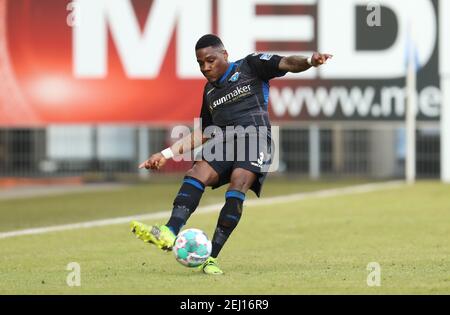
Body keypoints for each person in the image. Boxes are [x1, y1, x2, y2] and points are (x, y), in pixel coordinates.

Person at [131, 34, 332, 275]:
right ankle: (169, 232)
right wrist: (166, 153)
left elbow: (288, 63)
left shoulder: (251, 66)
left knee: (238, 183)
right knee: (197, 172)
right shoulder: (209, 92)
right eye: (200, 63)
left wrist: (310, 60)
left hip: (256, 138)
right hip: (225, 140)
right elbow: (204, 131)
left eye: (211, 60)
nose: (206, 67)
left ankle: (211, 257)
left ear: (225, 55)